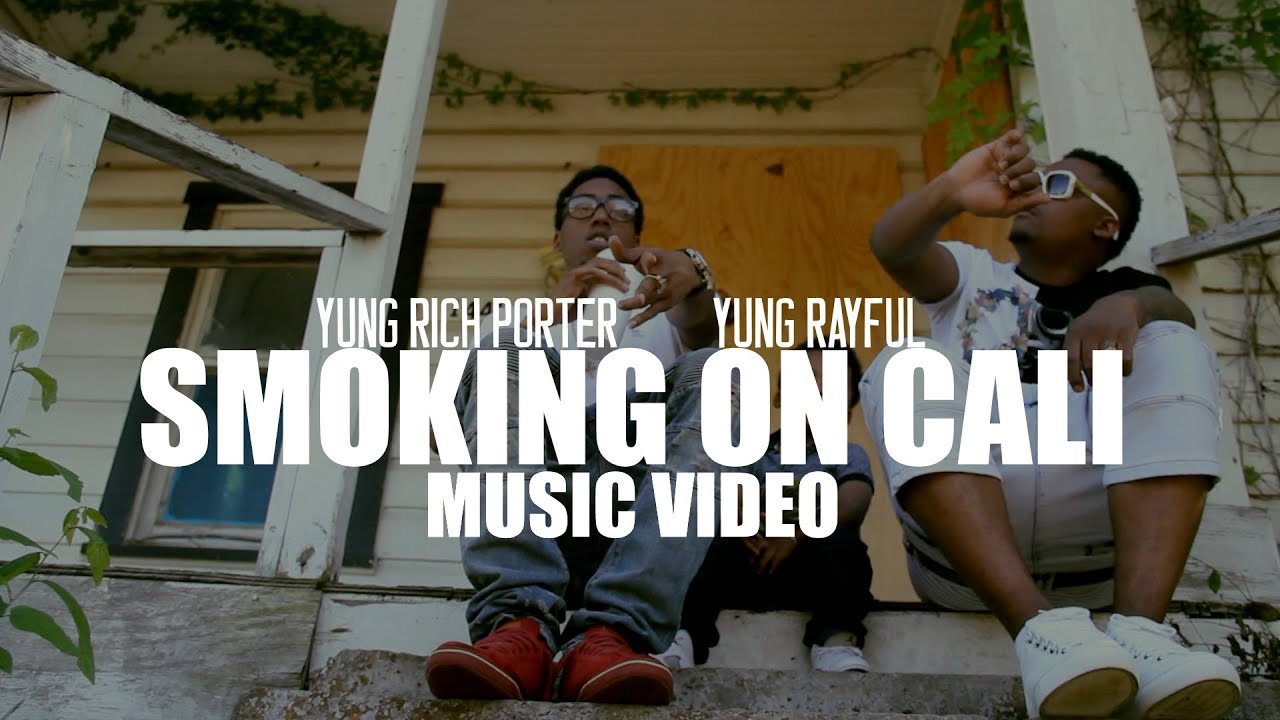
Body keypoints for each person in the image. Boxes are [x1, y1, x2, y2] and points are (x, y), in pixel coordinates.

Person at [860, 128, 1242, 720]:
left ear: (1104, 225)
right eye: (1036, 179)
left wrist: (1131, 305)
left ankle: (1143, 635)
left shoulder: (1134, 297)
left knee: (1171, 341)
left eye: (1057, 184)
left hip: (1095, 568)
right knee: (908, 361)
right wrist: (952, 191)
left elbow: (1173, 310)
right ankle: (1039, 633)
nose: (1037, 191)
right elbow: (893, 247)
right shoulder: (972, 277)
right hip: (962, 570)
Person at [424, 165, 732, 706]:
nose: (601, 217)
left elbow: (704, 333)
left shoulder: (664, 312)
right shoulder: (511, 326)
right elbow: (440, 433)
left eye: (620, 209)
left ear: (635, 236)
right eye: (583, 207)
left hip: (632, 520)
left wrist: (693, 280)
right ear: (557, 238)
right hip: (542, 517)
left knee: (725, 370)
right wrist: (544, 316)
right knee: (505, 355)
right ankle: (519, 625)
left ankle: (615, 633)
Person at [655, 339, 876, 673]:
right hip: (745, 562)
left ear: (847, 409)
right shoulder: (750, 453)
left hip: (810, 576)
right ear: (779, 396)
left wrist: (795, 535)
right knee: (703, 539)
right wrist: (740, 517)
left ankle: (835, 641)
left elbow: (853, 503)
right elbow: (721, 493)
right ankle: (684, 636)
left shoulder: (847, 456)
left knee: (845, 548)